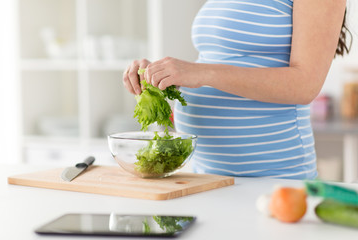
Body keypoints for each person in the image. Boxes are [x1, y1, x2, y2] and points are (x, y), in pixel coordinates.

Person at [123, 0, 351, 179]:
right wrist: (160, 75)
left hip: (274, 179)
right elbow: (222, 58)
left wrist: (201, 72)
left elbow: (305, 85)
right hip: (207, 174)